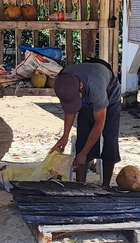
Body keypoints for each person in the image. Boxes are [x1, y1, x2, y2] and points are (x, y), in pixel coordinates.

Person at [51, 58, 121, 188]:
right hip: (86, 96)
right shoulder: (60, 82)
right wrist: (65, 136)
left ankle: (105, 185)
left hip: (110, 95)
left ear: (81, 86)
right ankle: (80, 185)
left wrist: (84, 153)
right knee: (83, 134)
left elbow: (99, 123)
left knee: (110, 137)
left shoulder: (96, 86)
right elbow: (69, 109)